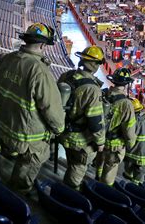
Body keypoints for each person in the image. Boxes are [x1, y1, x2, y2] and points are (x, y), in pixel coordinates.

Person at [0, 23, 65, 195]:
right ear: (42, 45)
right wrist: (59, 129)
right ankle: (19, 195)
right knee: (30, 166)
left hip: (5, 127)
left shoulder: (5, 59)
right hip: (28, 138)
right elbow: (52, 110)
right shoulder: (39, 71)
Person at [59, 45, 106, 190]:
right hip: (80, 141)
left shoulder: (67, 75)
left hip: (64, 132)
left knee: (71, 160)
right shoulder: (92, 89)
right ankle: (68, 195)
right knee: (77, 168)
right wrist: (100, 142)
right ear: (95, 65)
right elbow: (95, 120)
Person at [96, 68, 136, 186]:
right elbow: (129, 130)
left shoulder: (103, 94)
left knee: (99, 162)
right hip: (115, 145)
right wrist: (130, 145)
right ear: (126, 84)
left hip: (100, 140)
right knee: (109, 173)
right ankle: (103, 192)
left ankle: (96, 180)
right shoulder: (126, 104)